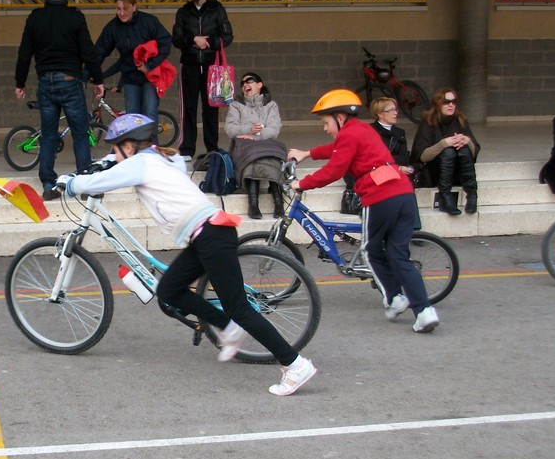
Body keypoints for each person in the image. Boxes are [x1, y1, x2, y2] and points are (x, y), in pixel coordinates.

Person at [59, 114, 316, 396]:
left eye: (115, 148)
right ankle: (227, 327)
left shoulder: (142, 163)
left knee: (239, 308)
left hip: (211, 236)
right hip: (205, 236)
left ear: (129, 147)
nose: (113, 154)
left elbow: (101, 182)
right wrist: (108, 161)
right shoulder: (161, 158)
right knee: (168, 291)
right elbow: (117, 166)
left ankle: (294, 364)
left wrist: (69, 184)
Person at [288, 89, 440, 334]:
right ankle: (424, 311)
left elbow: (334, 170)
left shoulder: (349, 135)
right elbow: (335, 149)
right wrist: (308, 153)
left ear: (339, 117)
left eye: (326, 123)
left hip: (380, 196)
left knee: (370, 250)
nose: (325, 128)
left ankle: (394, 298)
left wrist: (301, 183)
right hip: (403, 193)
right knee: (398, 254)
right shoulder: (362, 130)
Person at [14, 0, 105, 201]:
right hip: (70, 81)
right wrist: (98, 79)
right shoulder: (75, 17)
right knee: (81, 132)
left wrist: (20, 82)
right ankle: (84, 183)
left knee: (48, 135)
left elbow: (25, 52)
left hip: (46, 83)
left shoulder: (35, 18)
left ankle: (48, 184)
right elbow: (88, 51)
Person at [171, 0, 234, 161]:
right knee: (188, 107)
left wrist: (209, 42)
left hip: (211, 66)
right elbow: (177, 38)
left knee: (211, 108)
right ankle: (187, 150)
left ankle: (212, 148)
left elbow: (227, 36)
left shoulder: (216, 9)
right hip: (189, 64)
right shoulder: (183, 12)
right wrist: (193, 40)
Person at [95, 0, 173, 121]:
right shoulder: (113, 27)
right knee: (132, 118)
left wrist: (150, 65)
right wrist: (89, 74)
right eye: (118, 9)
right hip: (130, 78)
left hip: (149, 77)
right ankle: (135, 142)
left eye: (125, 9)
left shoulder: (149, 21)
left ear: (134, 7)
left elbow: (165, 43)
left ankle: (150, 142)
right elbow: (99, 51)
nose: (121, 13)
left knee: (149, 114)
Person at [225, 71, 286, 219]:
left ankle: (277, 202)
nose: (245, 84)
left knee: (269, 155)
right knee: (253, 156)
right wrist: (248, 130)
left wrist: (256, 135)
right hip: (244, 146)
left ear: (260, 85)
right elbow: (230, 129)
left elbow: (274, 129)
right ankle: (255, 204)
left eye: (249, 81)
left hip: (265, 143)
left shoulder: (271, 105)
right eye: (242, 83)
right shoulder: (236, 105)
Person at [411, 87, 481, 215]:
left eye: (454, 102)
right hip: (434, 171)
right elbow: (422, 156)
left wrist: (467, 141)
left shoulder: (460, 120)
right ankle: (445, 197)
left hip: (457, 171)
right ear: (438, 104)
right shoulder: (427, 122)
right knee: (448, 151)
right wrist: (443, 144)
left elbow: (474, 153)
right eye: (446, 102)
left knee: (464, 151)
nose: (451, 105)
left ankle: (472, 195)